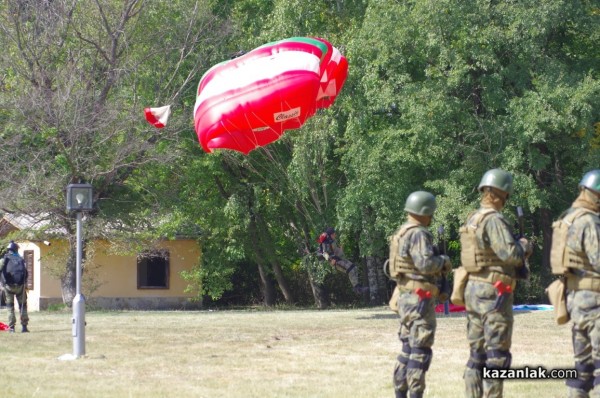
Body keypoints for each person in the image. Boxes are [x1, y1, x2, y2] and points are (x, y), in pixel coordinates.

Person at [459, 169, 532, 398]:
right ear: (501, 193)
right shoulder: (494, 220)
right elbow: (510, 254)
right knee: (497, 356)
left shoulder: (473, 218)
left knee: (476, 356)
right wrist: (524, 246)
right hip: (494, 293)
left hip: (473, 290)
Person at [390, 191, 452, 398]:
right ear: (425, 212)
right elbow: (425, 264)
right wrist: (443, 261)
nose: (432, 217)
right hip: (419, 299)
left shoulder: (401, 233)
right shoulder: (419, 233)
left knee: (407, 349)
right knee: (420, 351)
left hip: (405, 297)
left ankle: (400, 394)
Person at [559, 170, 600, 397]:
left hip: (576, 299)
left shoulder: (568, 218)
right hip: (595, 300)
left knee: (582, 368)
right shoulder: (590, 222)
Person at [318, 227, 369, 294]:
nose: (335, 235)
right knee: (350, 269)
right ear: (330, 235)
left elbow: (336, 251)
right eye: (334, 234)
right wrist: (330, 260)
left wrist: (340, 249)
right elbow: (324, 253)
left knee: (354, 267)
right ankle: (357, 288)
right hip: (335, 261)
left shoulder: (332, 241)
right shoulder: (326, 243)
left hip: (339, 259)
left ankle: (358, 286)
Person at [0, 241, 29, 333]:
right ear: (16, 249)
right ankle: (24, 327)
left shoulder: (4, 259)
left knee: (10, 307)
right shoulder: (21, 259)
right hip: (21, 286)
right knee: (23, 306)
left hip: (8, 286)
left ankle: (12, 328)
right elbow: (26, 273)